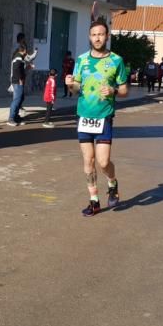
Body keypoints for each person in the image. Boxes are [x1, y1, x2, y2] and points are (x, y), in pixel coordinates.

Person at [65, 18, 129, 217]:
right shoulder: (82, 60)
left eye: (101, 34)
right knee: (88, 160)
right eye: (94, 35)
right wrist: (69, 84)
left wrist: (113, 90)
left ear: (107, 36)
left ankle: (112, 182)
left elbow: (125, 90)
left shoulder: (116, 60)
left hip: (104, 117)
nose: (97, 38)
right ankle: (94, 201)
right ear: (89, 37)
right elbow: (76, 88)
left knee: (103, 162)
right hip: (84, 116)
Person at [6, 44, 27, 127]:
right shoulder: (18, 58)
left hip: (17, 81)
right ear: (24, 50)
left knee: (21, 98)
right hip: (17, 82)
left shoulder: (18, 58)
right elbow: (17, 70)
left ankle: (16, 117)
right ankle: (11, 118)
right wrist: (20, 79)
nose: (26, 52)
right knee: (17, 100)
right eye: (26, 51)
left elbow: (20, 69)